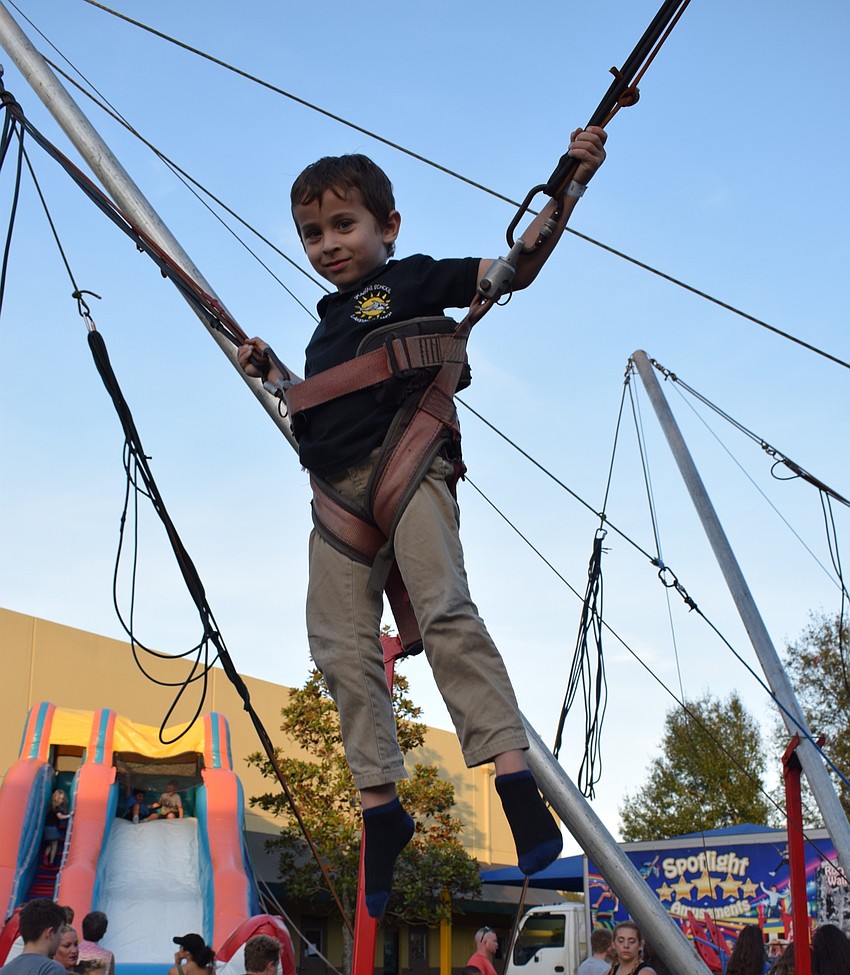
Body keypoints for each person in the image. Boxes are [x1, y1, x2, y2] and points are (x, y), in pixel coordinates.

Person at [237, 127, 607, 918]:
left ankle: (514, 781)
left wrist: (568, 183)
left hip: (406, 465)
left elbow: (513, 268)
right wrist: (278, 377)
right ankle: (381, 808)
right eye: (312, 233)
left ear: (388, 226)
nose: (328, 244)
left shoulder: (410, 278)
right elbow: (327, 401)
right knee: (339, 647)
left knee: (443, 611)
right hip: (337, 494)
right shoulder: (324, 325)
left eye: (345, 226)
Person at [0, 899, 66, 975]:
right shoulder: (52, 969)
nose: (61, 937)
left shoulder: (4, 970)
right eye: (61, 931)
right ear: (50, 933)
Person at [42, 791, 70, 866]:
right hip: (52, 827)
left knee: (50, 844)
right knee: (54, 845)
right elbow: (60, 816)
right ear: (55, 798)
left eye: (62, 799)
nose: (61, 800)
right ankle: (51, 861)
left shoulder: (50, 805)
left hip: (46, 827)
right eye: (59, 798)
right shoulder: (56, 807)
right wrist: (69, 816)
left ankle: (45, 855)